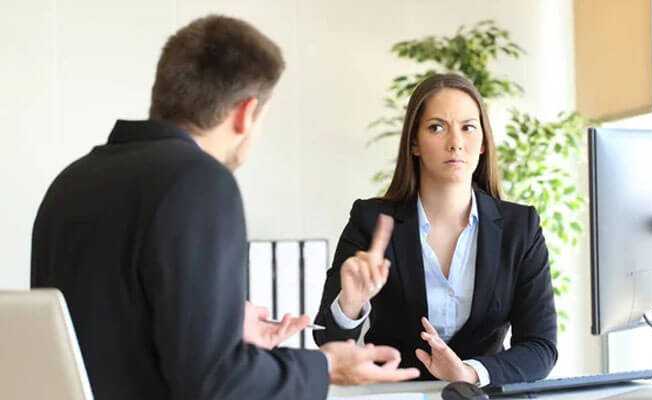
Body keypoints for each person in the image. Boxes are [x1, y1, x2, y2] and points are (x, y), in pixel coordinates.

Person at [31, 15, 418, 400]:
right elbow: (216, 382)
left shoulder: (72, 182)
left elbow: (116, 339)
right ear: (246, 112)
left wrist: (225, 331)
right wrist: (328, 366)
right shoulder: (199, 181)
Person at [314, 73, 558, 387]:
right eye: (437, 127)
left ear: (483, 142)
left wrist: (469, 373)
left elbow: (540, 347)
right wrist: (350, 304)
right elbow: (328, 343)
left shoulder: (519, 227)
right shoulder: (371, 220)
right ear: (414, 143)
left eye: (468, 127)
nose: (455, 142)